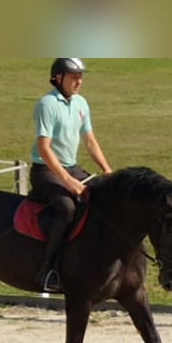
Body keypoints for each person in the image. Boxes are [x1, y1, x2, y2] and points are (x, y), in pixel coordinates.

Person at [29, 58, 113, 293]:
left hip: (72, 166)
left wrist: (107, 171)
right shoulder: (46, 104)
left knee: (106, 197)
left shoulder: (81, 103)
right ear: (58, 78)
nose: (79, 81)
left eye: (81, 76)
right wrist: (68, 181)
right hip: (46, 170)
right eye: (74, 76)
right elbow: (44, 149)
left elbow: (90, 140)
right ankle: (47, 269)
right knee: (66, 208)